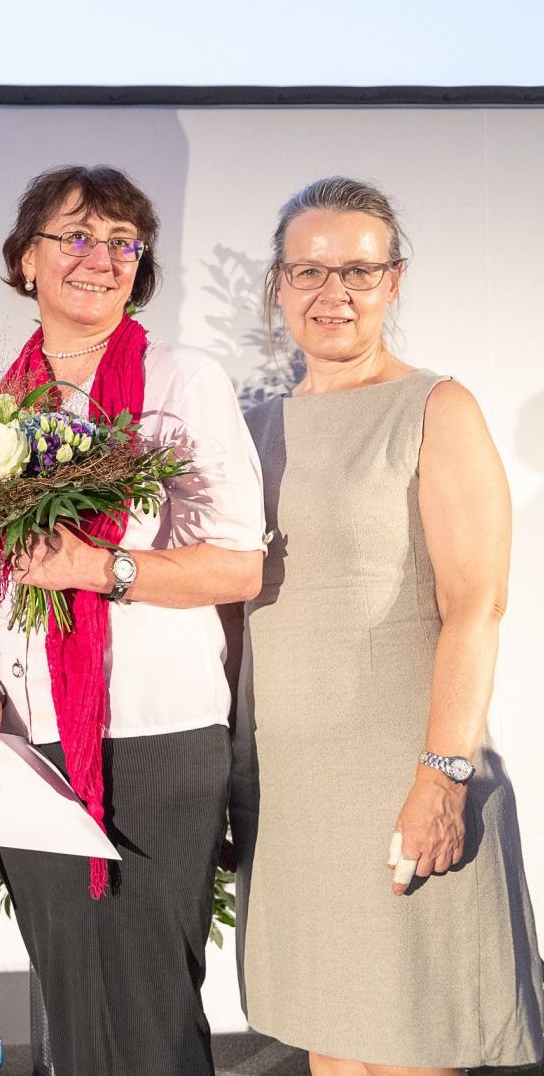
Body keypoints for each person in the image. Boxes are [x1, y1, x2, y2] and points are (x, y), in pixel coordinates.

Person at [0, 164, 265, 1076]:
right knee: (72, 1004)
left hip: (158, 729)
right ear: (25, 260)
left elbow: (237, 564)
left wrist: (103, 568)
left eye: (123, 242)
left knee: (152, 1006)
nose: (101, 258)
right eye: (76, 237)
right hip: (29, 736)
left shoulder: (182, 380)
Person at [232, 176, 544, 1075]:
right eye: (309, 271)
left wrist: (442, 777)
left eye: (358, 272)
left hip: (402, 773)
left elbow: (477, 605)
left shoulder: (436, 407)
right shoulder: (252, 428)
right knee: (330, 1045)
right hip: (291, 792)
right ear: (279, 284)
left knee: (412, 1044)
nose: (333, 293)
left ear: (393, 281)